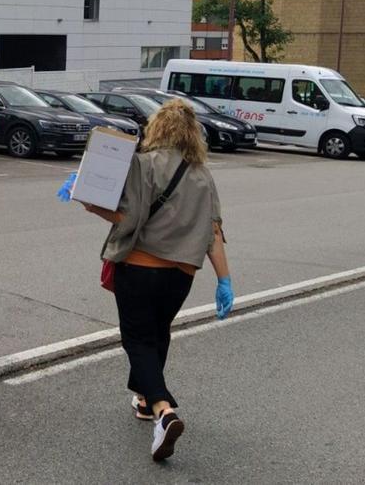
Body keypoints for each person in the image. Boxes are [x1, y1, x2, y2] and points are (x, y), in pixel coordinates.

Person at [81, 99, 234, 462]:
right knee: (158, 332)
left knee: (137, 339)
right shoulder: (202, 175)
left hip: (139, 267)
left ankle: (164, 411)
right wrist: (224, 280)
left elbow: (127, 217)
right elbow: (214, 232)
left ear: (157, 129)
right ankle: (145, 400)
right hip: (180, 276)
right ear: (192, 135)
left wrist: (88, 203)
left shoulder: (143, 164)